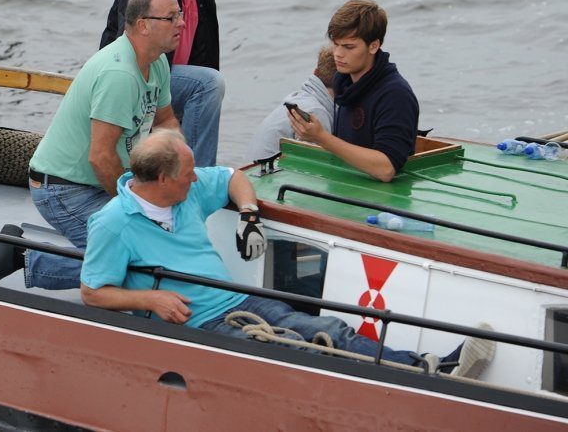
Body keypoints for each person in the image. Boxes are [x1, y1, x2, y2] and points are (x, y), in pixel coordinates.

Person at [80, 130, 495, 378]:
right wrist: (148, 299)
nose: (195, 178)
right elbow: (94, 292)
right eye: (188, 174)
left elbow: (230, 177)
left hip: (238, 301)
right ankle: (425, 383)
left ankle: (430, 368)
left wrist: (249, 213)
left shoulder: (184, 191)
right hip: (200, 324)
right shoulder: (113, 223)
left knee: (329, 329)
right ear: (164, 179)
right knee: (299, 349)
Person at [0, 0, 182, 288]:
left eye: (180, 15)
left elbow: (165, 120)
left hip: (101, 181)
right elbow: (101, 157)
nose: (181, 23)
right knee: (137, 264)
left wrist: (176, 168)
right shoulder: (120, 75)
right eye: (171, 17)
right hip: (63, 189)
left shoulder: (156, 62)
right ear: (143, 25)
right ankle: (23, 257)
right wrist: (137, 209)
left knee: (157, 243)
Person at [99, 0, 224, 167]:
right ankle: (200, 175)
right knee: (208, 84)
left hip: (171, 75)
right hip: (138, 80)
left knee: (206, 83)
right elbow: (128, 51)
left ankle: (188, 169)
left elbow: (207, 45)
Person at [288, 0, 419, 182]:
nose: (338, 54)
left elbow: (386, 168)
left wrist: (322, 137)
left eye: (349, 47)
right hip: (346, 186)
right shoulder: (344, 84)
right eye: (336, 44)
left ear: (374, 45)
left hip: (384, 202)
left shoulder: (395, 94)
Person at [247, 46, 337, 162]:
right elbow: (314, 168)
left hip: (248, 172)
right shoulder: (315, 112)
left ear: (315, 73)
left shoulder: (298, 98)